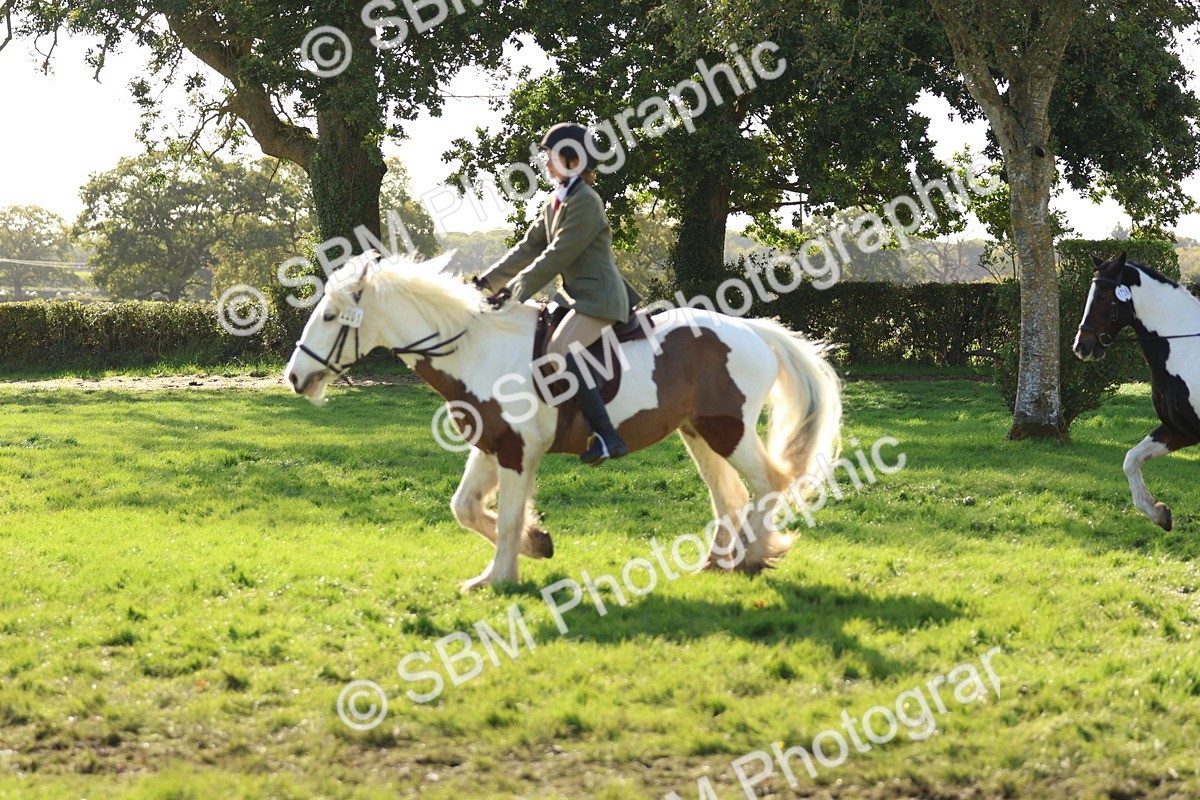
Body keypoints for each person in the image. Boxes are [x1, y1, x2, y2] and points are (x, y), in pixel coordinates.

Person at [475, 122, 642, 465]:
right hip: (573, 298)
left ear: (571, 159)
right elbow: (526, 249)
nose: (544, 162)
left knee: (559, 351)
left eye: (549, 156)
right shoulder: (554, 201)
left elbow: (555, 257)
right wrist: (485, 284)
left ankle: (609, 437)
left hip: (600, 299)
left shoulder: (586, 202)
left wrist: (513, 295)